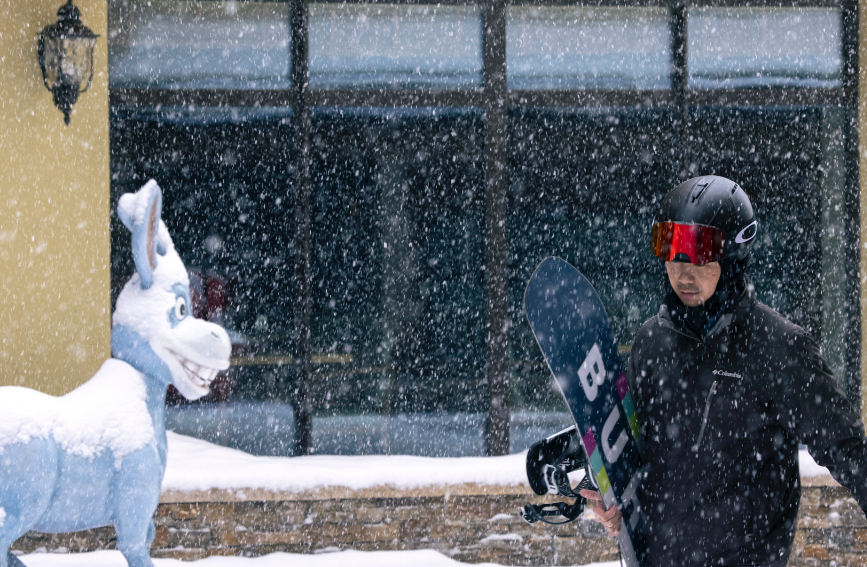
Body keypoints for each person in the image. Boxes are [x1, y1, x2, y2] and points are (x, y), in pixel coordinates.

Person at [580, 175, 867, 566]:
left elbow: (848, 448)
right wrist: (610, 498)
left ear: (731, 259)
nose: (683, 274)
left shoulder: (777, 347)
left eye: (699, 258)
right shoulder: (651, 343)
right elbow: (627, 447)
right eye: (672, 253)